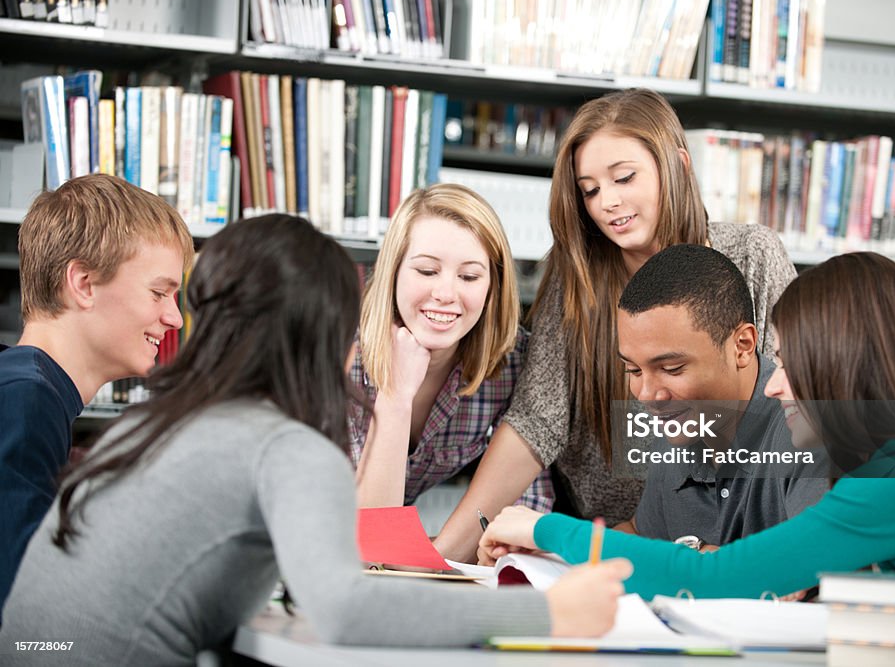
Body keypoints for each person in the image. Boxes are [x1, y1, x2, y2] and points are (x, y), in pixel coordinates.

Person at [0, 215, 631, 665]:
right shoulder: (287, 446)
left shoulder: (149, 422)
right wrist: (550, 615)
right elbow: (347, 610)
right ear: (330, 331)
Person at [478, 252, 895, 599]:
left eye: (790, 363)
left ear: (847, 362)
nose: (774, 383)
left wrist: (542, 527)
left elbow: (718, 580)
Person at [434, 88, 797, 561]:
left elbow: (786, 412)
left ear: (678, 166)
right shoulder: (577, 279)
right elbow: (536, 423)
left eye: (624, 178)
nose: (607, 201)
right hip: (610, 537)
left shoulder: (753, 256)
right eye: (590, 190)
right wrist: (444, 555)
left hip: (725, 537)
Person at [0, 174, 193, 616]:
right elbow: (26, 633)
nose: (174, 319)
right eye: (159, 292)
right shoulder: (25, 404)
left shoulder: (27, 391)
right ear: (83, 283)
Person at [351, 183, 552, 509]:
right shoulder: (341, 355)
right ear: (394, 272)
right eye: (427, 271)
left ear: (492, 288)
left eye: (469, 277)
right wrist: (396, 399)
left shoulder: (511, 364)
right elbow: (367, 526)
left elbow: (528, 501)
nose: (446, 293)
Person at [616, 244, 825, 547]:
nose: (648, 395)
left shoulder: (803, 427)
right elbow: (640, 534)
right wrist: (555, 542)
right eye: (633, 371)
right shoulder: (679, 420)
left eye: (672, 368)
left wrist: (693, 557)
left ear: (742, 346)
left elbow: (807, 568)